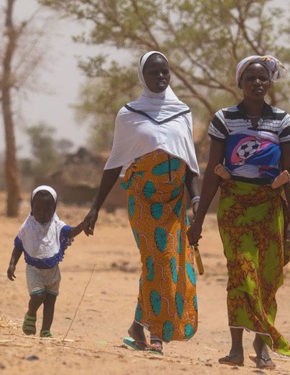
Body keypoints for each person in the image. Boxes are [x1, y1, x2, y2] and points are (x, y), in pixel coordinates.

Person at [187, 55, 290, 370]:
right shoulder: (224, 119)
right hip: (235, 205)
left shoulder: (282, 120)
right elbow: (212, 171)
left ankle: (261, 346)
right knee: (239, 273)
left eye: (262, 78)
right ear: (240, 82)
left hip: (269, 207)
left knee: (266, 277)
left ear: (269, 82)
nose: (257, 83)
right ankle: (236, 348)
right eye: (250, 78)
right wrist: (197, 221)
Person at [82, 51, 201, 353]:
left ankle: (139, 325)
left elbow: (189, 162)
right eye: (154, 72)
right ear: (142, 76)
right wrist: (95, 206)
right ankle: (158, 335)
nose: (161, 77)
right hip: (143, 200)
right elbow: (114, 163)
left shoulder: (183, 112)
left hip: (175, 201)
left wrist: (197, 198)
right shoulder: (129, 114)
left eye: (165, 72)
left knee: (166, 265)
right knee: (158, 261)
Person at [7, 185, 86, 338]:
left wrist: (82, 226)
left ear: (54, 209)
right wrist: (12, 264)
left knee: (50, 301)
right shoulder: (27, 228)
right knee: (37, 296)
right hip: (34, 269)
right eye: (38, 209)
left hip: (53, 271)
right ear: (32, 208)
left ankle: (45, 330)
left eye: (47, 210)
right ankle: (31, 314)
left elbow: (70, 232)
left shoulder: (57, 225)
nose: (43, 214)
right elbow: (18, 246)